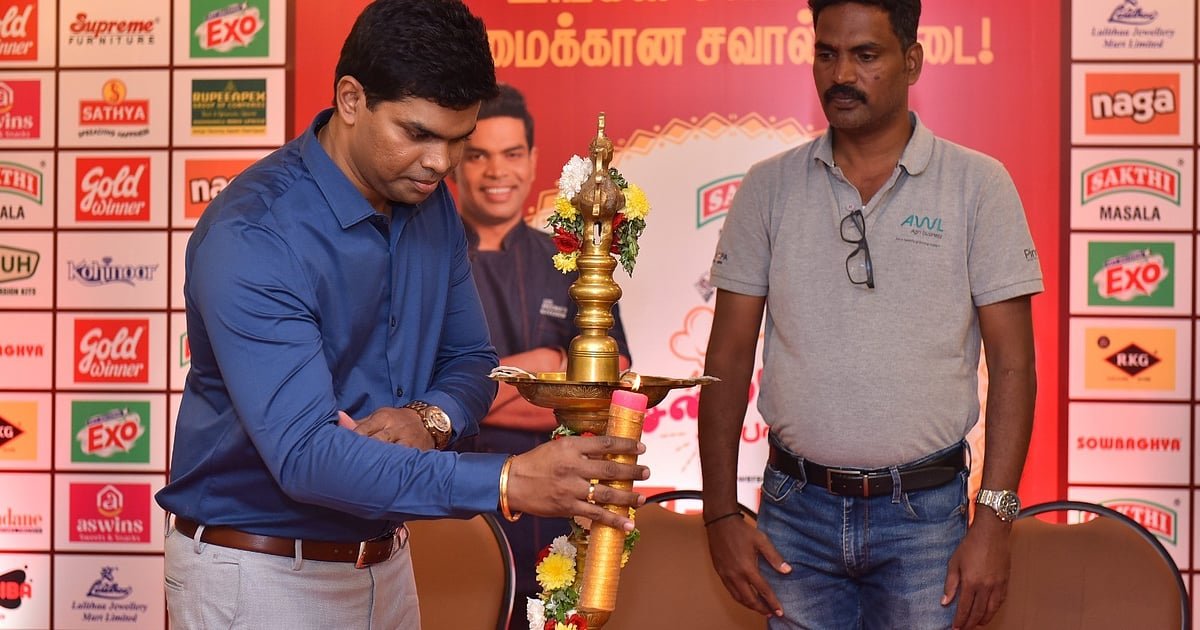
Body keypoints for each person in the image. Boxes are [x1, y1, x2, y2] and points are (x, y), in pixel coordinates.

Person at [155, 2, 648, 628]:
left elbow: (470, 361)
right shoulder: (256, 233)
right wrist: (506, 480)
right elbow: (307, 457)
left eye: (457, 138)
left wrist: (428, 418)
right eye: (418, 134)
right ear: (351, 99)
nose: (441, 163)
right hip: (259, 570)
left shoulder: (428, 203)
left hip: (386, 561)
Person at [696, 1, 1042, 629]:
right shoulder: (768, 187)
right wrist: (719, 513)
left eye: (865, 55)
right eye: (826, 54)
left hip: (925, 519)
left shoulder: (978, 185)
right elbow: (726, 359)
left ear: (911, 61)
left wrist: (994, 520)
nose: (840, 74)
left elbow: (1014, 367)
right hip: (793, 513)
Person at [451, 83, 633, 622]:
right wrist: (548, 369)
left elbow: (611, 382)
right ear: (456, 162)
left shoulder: (571, 259)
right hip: (457, 496)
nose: (496, 171)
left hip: (561, 499)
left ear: (532, 162)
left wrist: (463, 401)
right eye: (478, 155)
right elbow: (410, 392)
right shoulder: (429, 258)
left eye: (511, 154)